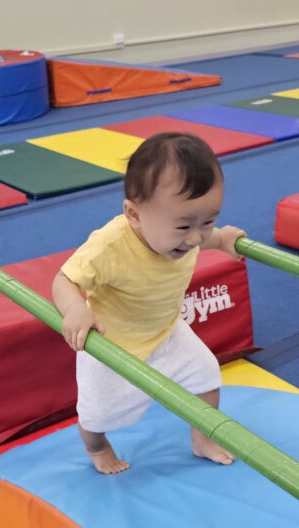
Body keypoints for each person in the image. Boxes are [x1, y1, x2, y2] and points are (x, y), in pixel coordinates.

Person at [52, 132, 246, 474]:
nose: (194, 238)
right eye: (184, 225)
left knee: (206, 376)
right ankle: (96, 447)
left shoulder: (189, 235)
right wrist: (75, 307)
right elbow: (64, 280)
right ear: (134, 214)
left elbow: (205, 239)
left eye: (208, 221)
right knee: (96, 415)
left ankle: (202, 438)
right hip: (111, 343)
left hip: (165, 330)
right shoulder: (110, 245)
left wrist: (222, 238)